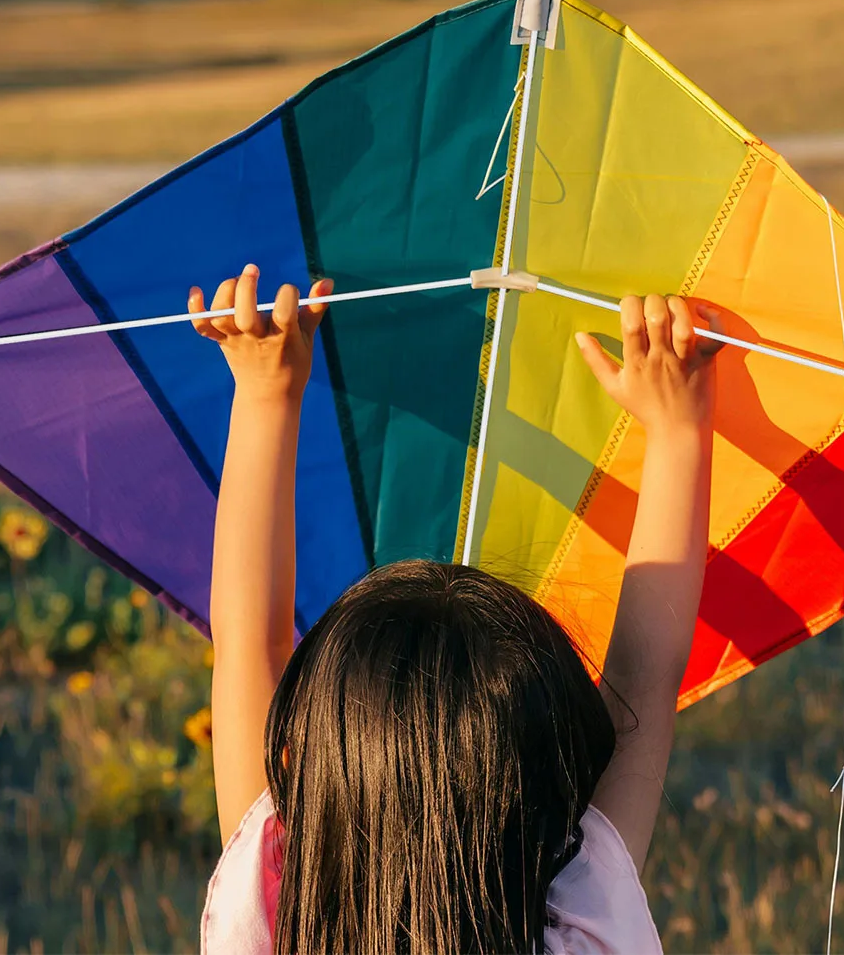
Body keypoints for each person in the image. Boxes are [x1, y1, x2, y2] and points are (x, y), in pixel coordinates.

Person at [189, 264, 723, 955]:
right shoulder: (580, 928)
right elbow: (643, 675)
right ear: (550, 787)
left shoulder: (269, 919)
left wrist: (265, 393)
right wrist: (682, 427)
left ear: (315, 766)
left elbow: (249, 644)